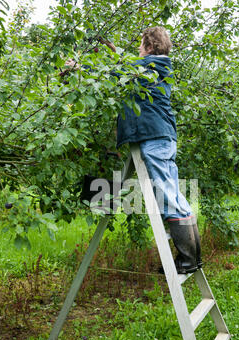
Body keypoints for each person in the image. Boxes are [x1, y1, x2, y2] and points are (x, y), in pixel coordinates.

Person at [65, 27, 203, 274]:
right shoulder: (157, 67)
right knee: (176, 196)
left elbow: (115, 73)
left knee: (169, 197)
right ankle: (192, 259)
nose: (139, 49)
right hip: (164, 137)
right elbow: (126, 67)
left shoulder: (149, 67)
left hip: (154, 138)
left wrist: (79, 67)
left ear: (149, 47)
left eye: (141, 45)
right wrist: (111, 49)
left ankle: (187, 261)